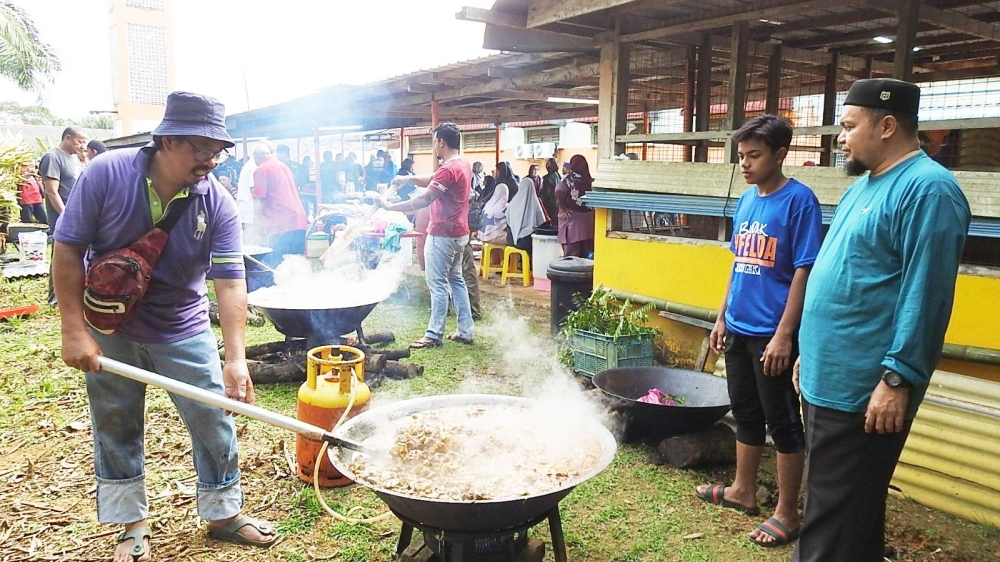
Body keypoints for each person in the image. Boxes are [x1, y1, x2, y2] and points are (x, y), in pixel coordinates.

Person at [53, 91, 278, 562]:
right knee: (115, 421)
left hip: (183, 325)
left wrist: (236, 360)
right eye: (201, 148)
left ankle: (223, 514)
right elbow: (69, 248)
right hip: (109, 324)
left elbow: (230, 281)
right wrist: (73, 330)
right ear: (168, 140)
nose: (211, 160)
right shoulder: (106, 173)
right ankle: (131, 524)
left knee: (212, 417)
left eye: (218, 151)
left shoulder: (217, 201)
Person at [793, 79, 970, 562]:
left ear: (887, 125)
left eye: (849, 126)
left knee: (828, 529)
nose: (841, 138)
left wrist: (898, 376)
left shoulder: (928, 190)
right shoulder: (865, 186)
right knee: (853, 518)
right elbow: (845, 276)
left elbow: (927, 294)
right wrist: (808, 349)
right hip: (829, 380)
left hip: (864, 392)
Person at [695, 115, 821, 548]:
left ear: (780, 154)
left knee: (783, 421)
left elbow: (804, 270)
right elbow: (738, 264)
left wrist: (786, 335)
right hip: (739, 326)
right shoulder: (748, 200)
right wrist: (721, 316)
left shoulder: (799, 201)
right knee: (745, 412)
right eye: (741, 156)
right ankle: (741, 490)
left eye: (754, 156)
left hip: (773, 332)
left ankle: (788, 512)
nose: (744, 164)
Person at [379, 122, 474, 349]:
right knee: (456, 280)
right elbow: (434, 178)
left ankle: (433, 334)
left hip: (443, 233)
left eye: (434, 141)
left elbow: (424, 199)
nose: (434, 146)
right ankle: (465, 330)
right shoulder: (461, 163)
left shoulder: (448, 168)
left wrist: (389, 206)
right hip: (460, 233)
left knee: (437, 284)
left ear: (441, 142)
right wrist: (408, 179)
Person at [40, 126, 88, 305]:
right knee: (60, 255)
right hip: (63, 217)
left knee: (77, 255)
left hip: (78, 215)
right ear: (67, 138)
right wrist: (66, 216)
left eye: (84, 142)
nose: (82, 146)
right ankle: (55, 298)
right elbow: (52, 191)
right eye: (79, 141)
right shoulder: (53, 157)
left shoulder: (74, 159)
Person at [251, 143, 308, 268]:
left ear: (255, 156)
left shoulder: (261, 169)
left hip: (281, 223)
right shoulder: (283, 166)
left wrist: (257, 225)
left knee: (276, 265)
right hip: (298, 219)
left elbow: (259, 201)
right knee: (296, 263)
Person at [555, 155, 596, 257]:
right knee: (587, 255)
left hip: (572, 221)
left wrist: (563, 208)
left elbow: (559, 190)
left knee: (572, 256)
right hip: (588, 223)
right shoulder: (589, 180)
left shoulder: (570, 179)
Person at [507, 174, 546, 258]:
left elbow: (507, 219)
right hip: (527, 242)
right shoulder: (535, 204)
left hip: (511, 240)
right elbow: (541, 222)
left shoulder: (512, 203)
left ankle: (520, 262)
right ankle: (531, 265)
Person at [478, 176, 508, 246]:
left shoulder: (488, 204)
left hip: (482, 235)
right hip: (492, 237)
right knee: (513, 239)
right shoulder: (505, 206)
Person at [236, 154, 257, 243]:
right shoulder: (255, 165)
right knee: (250, 243)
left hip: (244, 208)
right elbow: (253, 189)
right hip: (249, 210)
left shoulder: (249, 164)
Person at [539, 158, 560, 227]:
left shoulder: (546, 178)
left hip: (549, 207)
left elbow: (545, 194)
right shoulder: (559, 177)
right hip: (558, 206)